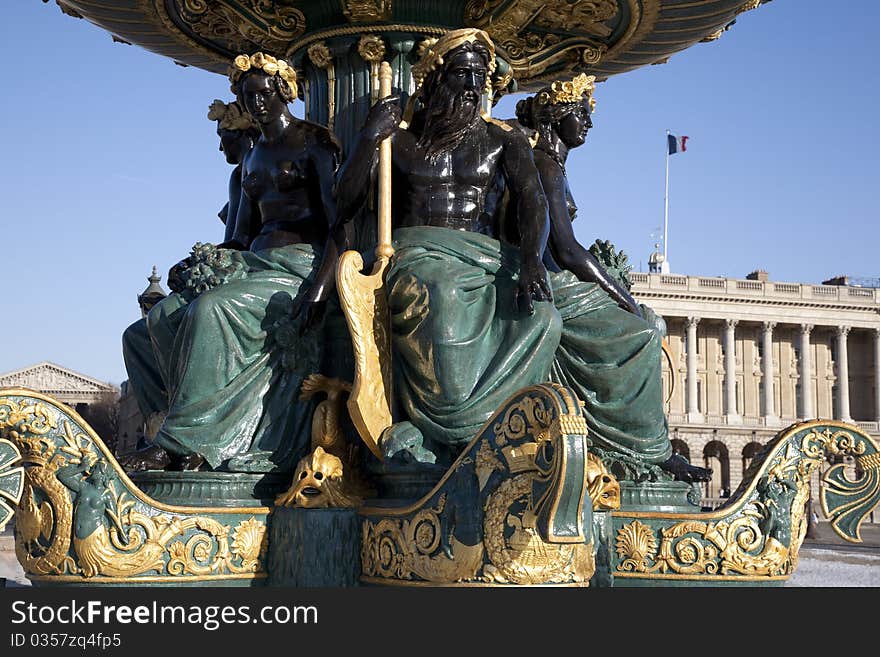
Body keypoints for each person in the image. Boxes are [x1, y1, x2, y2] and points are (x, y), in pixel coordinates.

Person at [336, 28, 708, 482]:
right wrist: (368, 137)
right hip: (423, 255)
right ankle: (458, 432)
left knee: (632, 331)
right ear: (434, 79)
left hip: (493, 257)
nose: (473, 87)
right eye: (463, 75)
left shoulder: (502, 139)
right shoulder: (400, 140)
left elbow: (532, 200)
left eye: (481, 77)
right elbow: (346, 203)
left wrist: (532, 260)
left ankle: (643, 449)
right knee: (448, 297)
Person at [122, 52, 345, 475]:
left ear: (283, 91)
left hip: (299, 266)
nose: (257, 104)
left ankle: (180, 443)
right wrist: (192, 265)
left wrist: (320, 287)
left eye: (263, 94)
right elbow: (238, 239)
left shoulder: (314, 142)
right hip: (254, 263)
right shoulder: (251, 158)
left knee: (211, 310)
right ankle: (177, 435)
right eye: (248, 97)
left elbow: (341, 226)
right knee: (149, 326)